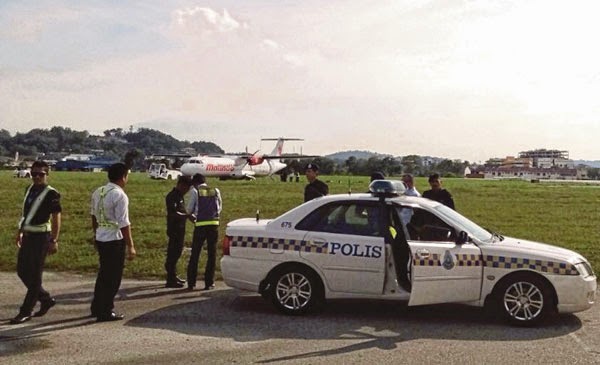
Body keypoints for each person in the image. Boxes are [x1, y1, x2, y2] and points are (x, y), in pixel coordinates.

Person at [10, 160, 62, 324]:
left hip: (42, 237)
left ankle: (26, 311)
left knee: (35, 275)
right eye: (34, 174)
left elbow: (56, 218)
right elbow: (26, 213)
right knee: (22, 271)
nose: (37, 177)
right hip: (28, 235)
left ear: (47, 174)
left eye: (41, 174)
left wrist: (54, 239)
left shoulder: (51, 193)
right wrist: (20, 232)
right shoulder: (29, 189)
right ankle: (45, 298)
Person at [90, 162, 136, 322]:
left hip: (101, 236)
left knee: (103, 274)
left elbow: (94, 216)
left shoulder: (98, 191)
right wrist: (130, 245)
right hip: (114, 238)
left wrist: (95, 234)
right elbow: (124, 223)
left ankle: (96, 306)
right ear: (123, 177)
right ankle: (106, 309)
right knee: (113, 277)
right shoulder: (120, 195)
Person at [186, 173, 222, 291]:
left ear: (195, 183)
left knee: (195, 254)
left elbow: (189, 210)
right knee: (212, 255)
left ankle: (191, 283)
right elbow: (219, 208)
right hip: (214, 225)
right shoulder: (215, 190)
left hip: (200, 225)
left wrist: (193, 218)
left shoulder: (195, 192)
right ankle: (209, 282)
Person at [164, 175, 192, 288]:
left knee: (178, 252)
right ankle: (170, 279)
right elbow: (173, 213)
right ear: (181, 185)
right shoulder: (172, 196)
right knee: (173, 254)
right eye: (186, 188)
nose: (186, 191)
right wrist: (187, 216)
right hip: (174, 229)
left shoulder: (180, 196)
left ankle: (173, 275)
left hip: (180, 229)